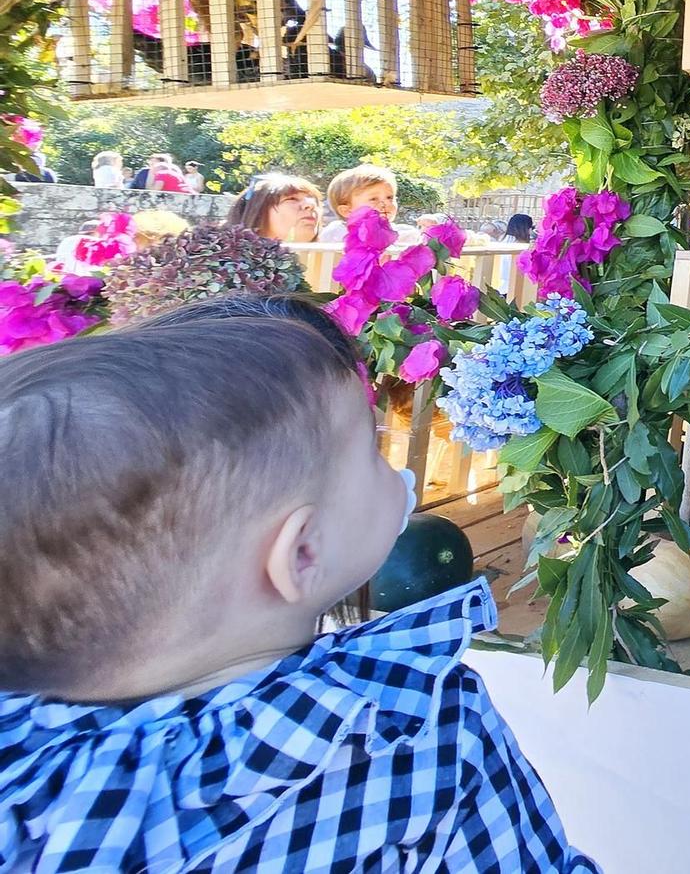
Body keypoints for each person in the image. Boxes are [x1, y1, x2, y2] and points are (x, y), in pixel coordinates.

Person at [0, 303, 600, 872]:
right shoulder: (412, 732)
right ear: (303, 552)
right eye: (372, 451)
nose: (395, 467)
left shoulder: (27, 790)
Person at [225, 172, 325, 242]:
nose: (311, 205)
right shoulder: (224, 267)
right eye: (292, 199)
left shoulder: (332, 263)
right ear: (258, 214)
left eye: (312, 199)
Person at [318, 164, 399, 241]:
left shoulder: (404, 235)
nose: (386, 203)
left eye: (390, 197)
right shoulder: (335, 234)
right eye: (373, 199)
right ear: (346, 211)